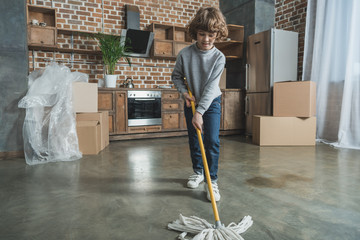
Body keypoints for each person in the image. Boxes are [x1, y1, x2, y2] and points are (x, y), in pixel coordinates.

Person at [171, 7, 228, 202]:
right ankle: (198, 172)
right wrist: (184, 93)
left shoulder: (219, 58)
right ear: (195, 32)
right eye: (202, 34)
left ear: (217, 34)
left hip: (211, 103)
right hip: (192, 102)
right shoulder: (185, 54)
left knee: (211, 141)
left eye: (211, 35)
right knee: (195, 139)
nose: (205, 39)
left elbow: (212, 87)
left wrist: (200, 112)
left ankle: (211, 180)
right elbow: (176, 76)